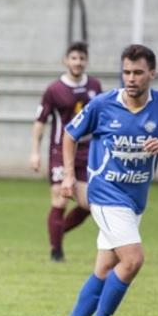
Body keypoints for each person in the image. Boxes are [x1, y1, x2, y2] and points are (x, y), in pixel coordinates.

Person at [54, 44, 158, 316]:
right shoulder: (103, 104)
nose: (130, 78)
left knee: (104, 269)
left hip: (134, 200)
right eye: (126, 72)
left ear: (152, 74)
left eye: (138, 72)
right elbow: (69, 134)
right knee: (133, 260)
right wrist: (67, 176)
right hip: (104, 194)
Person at [29, 42, 103, 262]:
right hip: (60, 151)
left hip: (88, 152)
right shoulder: (54, 90)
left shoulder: (95, 86)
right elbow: (40, 121)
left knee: (89, 204)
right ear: (66, 60)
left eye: (81, 58)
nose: (77, 62)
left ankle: (57, 232)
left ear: (86, 61)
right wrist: (35, 152)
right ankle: (56, 251)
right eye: (74, 58)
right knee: (60, 199)